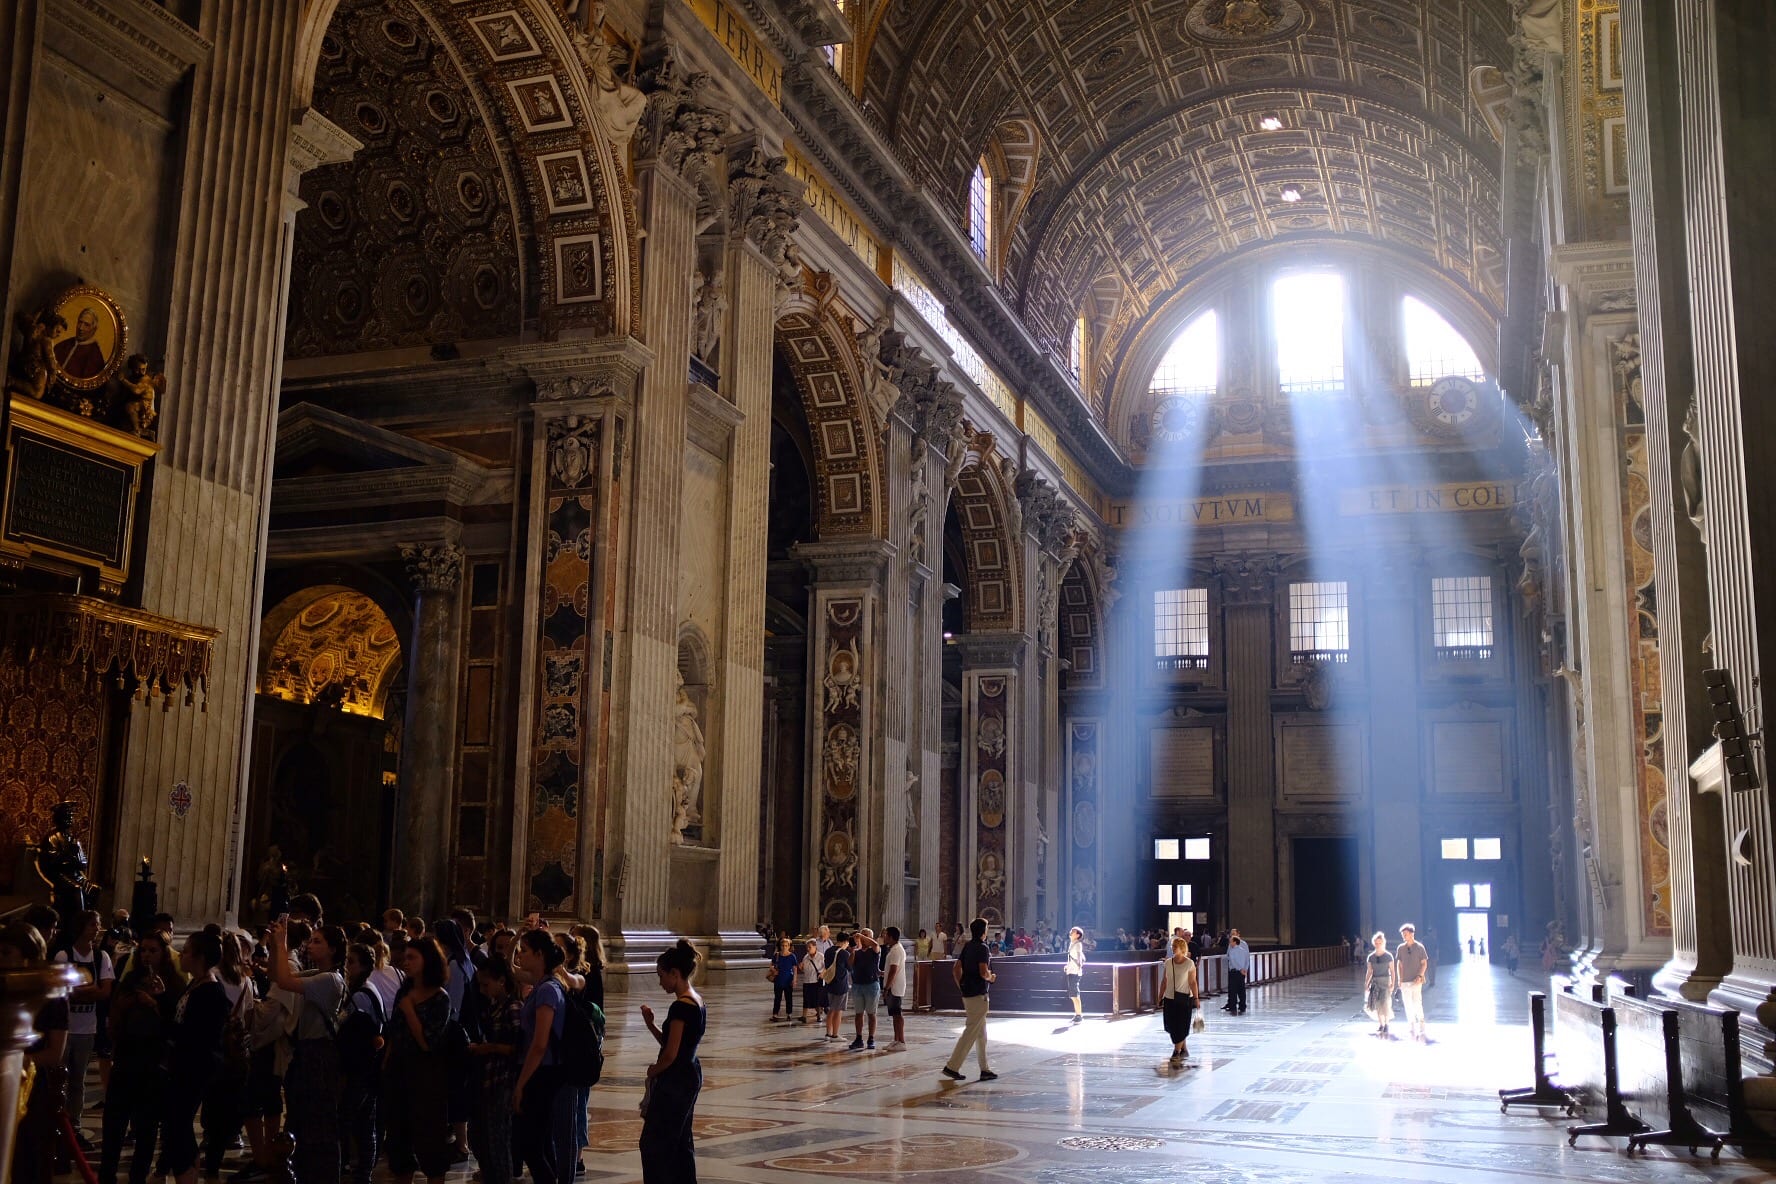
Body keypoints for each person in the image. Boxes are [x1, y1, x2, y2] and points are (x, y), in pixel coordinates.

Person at [100, 929, 185, 1184]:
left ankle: (138, 1177)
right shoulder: (131, 980)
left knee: (147, 1128)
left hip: (153, 1065)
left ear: (164, 954)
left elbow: (175, 1024)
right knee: (114, 1125)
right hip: (126, 1060)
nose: (147, 955)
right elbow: (115, 1015)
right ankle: (107, 1175)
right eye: (143, 950)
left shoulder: (173, 984)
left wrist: (159, 1001)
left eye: (153, 950)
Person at [266, 919, 347, 1184]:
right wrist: (274, 948)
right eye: (310, 940)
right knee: (300, 1119)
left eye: (317, 941)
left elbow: (287, 981)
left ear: (333, 949)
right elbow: (278, 977)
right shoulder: (317, 975)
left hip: (319, 1057)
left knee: (319, 1123)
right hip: (306, 1053)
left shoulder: (330, 980)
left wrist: (281, 944)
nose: (310, 945)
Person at [159, 932, 229, 1184]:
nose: (182, 955)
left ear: (199, 957)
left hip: (194, 1067)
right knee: (178, 1126)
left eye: (187, 951)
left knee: (178, 1126)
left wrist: (166, 1029)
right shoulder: (196, 983)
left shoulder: (211, 991)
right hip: (183, 1065)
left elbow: (196, 1034)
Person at [384, 936, 453, 1183]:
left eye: (413, 957)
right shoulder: (405, 989)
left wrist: (410, 1009)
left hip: (426, 1079)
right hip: (398, 1075)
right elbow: (394, 1031)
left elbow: (428, 1043)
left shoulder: (440, 998)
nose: (406, 961)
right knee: (399, 1144)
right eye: (406, 956)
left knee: (430, 1144)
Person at [513, 929, 577, 1184]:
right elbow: (512, 968)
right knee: (540, 1144)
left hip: (543, 1072)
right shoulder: (542, 985)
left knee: (532, 1146)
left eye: (525, 950)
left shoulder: (548, 990)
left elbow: (540, 1044)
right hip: (540, 1071)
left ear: (539, 955)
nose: (520, 954)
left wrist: (521, 1084)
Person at [640, 940, 706, 1183]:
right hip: (690, 1073)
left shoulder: (680, 1007)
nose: (660, 982)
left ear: (675, 974)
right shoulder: (697, 1000)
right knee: (681, 1141)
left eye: (662, 976)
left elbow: (670, 1054)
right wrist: (651, 1026)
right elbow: (676, 1045)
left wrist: (653, 1070)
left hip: (675, 1081)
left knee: (654, 1144)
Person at [54, 908, 112, 1143]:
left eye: (98, 925)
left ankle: (74, 1125)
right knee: (60, 1080)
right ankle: (57, 1123)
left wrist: (81, 992)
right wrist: (90, 991)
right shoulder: (63, 955)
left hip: (87, 1028)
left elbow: (105, 991)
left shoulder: (101, 957)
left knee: (78, 1080)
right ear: (80, 927)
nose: (97, 929)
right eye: (93, 925)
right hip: (64, 1028)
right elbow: (62, 992)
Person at [467, 956, 523, 1184]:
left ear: (501, 981)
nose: (482, 990)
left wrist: (488, 1048)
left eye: (486, 984)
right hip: (488, 1078)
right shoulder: (493, 1006)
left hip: (504, 1080)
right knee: (481, 1138)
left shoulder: (512, 1007)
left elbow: (519, 1048)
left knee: (498, 1140)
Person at [338, 943, 387, 1184]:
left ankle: (354, 1169)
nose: (348, 968)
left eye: (352, 963)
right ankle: (364, 1173)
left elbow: (346, 1026)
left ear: (364, 966)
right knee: (366, 1123)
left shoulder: (360, 995)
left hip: (360, 1066)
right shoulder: (370, 988)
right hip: (369, 1066)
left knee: (350, 1120)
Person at [941, 917, 996, 1082]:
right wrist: (991, 977)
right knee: (970, 1032)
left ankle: (984, 1069)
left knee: (981, 1035)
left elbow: (956, 969)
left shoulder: (968, 946)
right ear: (983, 931)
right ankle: (952, 1066)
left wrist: (962, 986)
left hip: (968, 993)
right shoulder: (982, 948)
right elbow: (983, 971)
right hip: (979, 995)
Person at [1160, 936, 1200, 1067]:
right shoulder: (1168, 963)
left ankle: (1176, 1051)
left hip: (1184, 999)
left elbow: (1192, 982)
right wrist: (1160, 996)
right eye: (1172, 947)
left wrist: (1196, 998)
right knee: (1171, 1026)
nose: (1173, 949)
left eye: (1175, 947)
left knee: (1181, 1025)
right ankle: (1183, 1047)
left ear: (1182, 948)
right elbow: (1164, 981)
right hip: (1170, 998)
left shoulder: (1189, 963)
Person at [1395, 923, 1429, 1041]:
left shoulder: (1420, 947)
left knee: (1416, 1002)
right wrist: (1399, 979)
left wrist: (1420, 975)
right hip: (1404, 981)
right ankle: (1411, 1024)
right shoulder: (1401, 948)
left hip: (1416, 980)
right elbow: (1399, 964)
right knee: (1407, 1003)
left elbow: (1424, 963)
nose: (1404, 936)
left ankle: (1421, 1022)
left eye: (1406, 934)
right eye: (1403, 934)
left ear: (1412, 934)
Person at [849, 929, 881, 1050]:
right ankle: (858, 1038)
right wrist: (854, 949)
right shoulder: (857, 951)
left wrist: (862, 936)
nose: (862, 938)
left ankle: (871, 1038)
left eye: (866, 936)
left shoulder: (874, 950)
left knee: (871, 1013)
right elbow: (850, 963)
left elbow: (875, 945)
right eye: (862, 936)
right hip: (857, 985)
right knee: (858, 1013)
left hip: (871, 985)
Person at [1364, 931, 1396, 1037]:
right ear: (1374, 943)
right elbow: (1369, 971)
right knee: (1377, 1004)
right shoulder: (1371, 957)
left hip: (1386, 981)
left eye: (1380, 942)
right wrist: (1366, 983)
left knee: (1386, 1003)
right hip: (1375, 982)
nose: (1378, 944)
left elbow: (1392, 971)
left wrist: (1393, 983)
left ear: (1383, 943)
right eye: (1376, 943)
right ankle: (1381, 1024)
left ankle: (1386, 1024)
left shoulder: (1388, 956)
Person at [881, 926, 908, 1051]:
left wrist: (887, 988)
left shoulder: (897, 950)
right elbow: (890, 970)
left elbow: (893, 970)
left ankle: (901, 1041)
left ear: (891, 937)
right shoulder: (894, 949)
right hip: (893, 985)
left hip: (895, 986)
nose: (884, 937)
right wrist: (882, 973)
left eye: (886, 935)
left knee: (897, 1014)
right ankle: (896, 1040)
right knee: (894, 1014)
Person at [822, 933, 852, 1042]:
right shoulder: (845, 953)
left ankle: (828, 1033)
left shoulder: (828, 951)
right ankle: (835, 1035)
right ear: (845, 942)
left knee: (831, 1009)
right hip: (841, 984)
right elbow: (850, 968)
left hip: (830, 983)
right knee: (838, 1010)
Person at [769, 937, 798, 1021]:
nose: (784, 947)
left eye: (786, 945)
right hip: (778, 979)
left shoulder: (792, 956)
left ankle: (789, 1013)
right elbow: (771, 965)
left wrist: (794, 979)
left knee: (788, 997)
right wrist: (773, 969)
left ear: (789, 946)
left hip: (788, 979)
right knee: (777, 997)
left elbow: (795, 968)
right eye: (783, 945)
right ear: (780, 946)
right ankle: (775, 1014)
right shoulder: (777, 955)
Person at [1223, 928, 1251, 1015]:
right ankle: (1242, 1006)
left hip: (1235, 971)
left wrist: (1241, 969)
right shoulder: (1242, 951)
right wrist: (1244, 969)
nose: (1230, 942)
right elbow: (1247, 960)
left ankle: (1233, 1006)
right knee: (1241, 990)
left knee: (1233, 990)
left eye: (1231, 940)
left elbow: (1232, 961)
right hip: (1241, 971)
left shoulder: (1239, 948)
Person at [1064, 926, 1087, 1024]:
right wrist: (1067, 966)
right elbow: (1072, 958)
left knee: (1075, 994)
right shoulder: (1072, 944)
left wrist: (1079, 965)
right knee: (1073, 995)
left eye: (1073, 931)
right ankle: (1077, 1014)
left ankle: (1079, 1015)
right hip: (1071, 970)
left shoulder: (1078, 944)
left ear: (1078, 935)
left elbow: (1079, 956)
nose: (1071, 932)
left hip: (1075, 972)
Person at [797, 940, 822, 1025]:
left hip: (816, 981)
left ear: (815, 947)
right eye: (807, 947)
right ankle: (804, 1016)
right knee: (806, 999)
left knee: (817, 999)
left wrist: (822, 974)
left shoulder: (821, 956)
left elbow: (826, 967)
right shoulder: (806, 957)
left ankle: (819, 1015)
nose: (808, 949)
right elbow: (804, 969)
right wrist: (801, 967)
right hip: (807, 981)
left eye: (810, 947)